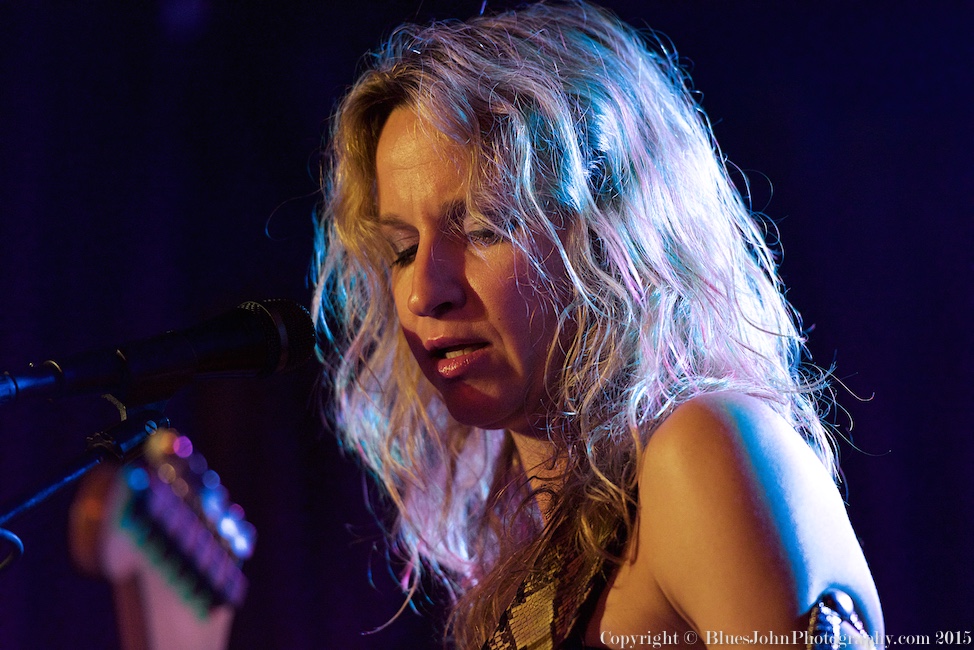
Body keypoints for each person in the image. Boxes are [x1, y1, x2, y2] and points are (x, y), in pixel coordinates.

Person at [312, 1, 884, 648]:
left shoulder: (702, 451)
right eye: (403, 248)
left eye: (483, 227)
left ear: (606, 236)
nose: (424, 292)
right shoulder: (542, 550)